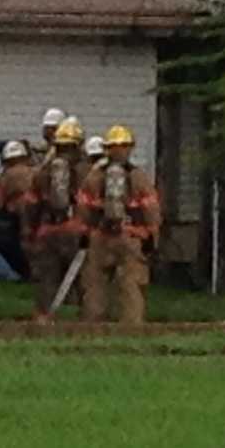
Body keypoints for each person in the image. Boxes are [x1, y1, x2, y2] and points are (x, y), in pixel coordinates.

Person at [75, 125, 161, 325]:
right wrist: (151, 236)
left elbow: (82, 209)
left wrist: (85, 234)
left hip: (99, 237)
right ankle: (132, 328)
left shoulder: (94, 176)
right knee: (132, 284)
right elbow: (151, 209)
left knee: (94, 285)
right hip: (131, 236)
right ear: (130, 147)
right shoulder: (139, 177)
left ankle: (91, 328)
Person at [24, 117, 91, 322]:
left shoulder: (44, 171)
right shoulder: (88, 171)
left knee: (47, 279)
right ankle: (84, 320)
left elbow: (31, 204)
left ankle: (42, 318)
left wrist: (29, 230)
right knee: (84, 280)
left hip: (47, 230)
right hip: (76, 230)